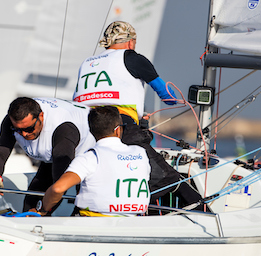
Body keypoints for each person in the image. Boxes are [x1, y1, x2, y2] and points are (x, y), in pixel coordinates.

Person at [73, 21, 204, 210]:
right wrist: (175, 99)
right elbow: (167, 96)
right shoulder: (133, 58)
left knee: (100, 174)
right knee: (167, 177)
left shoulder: (88, 62)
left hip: (85, 126)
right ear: (130, 42)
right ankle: (202, 211)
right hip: (117, 126)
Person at [0, 97, 96, 212]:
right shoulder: (12, 122)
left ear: (41, 116)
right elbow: (0, 151)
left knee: (81, 208)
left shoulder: (63, 130)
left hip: (88, 153)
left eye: (29, 129)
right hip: (54, 153)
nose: (24, 134)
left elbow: (59, 186)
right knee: (30, 205)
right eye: (18, 130)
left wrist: (42, 211)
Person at [31, 106, 151, 217]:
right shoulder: (140, 152)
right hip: (134, 221)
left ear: (92, 131)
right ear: (118, 130)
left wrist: (42, 210)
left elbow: (58, 189)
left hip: (93, 221)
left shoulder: (89, 158)